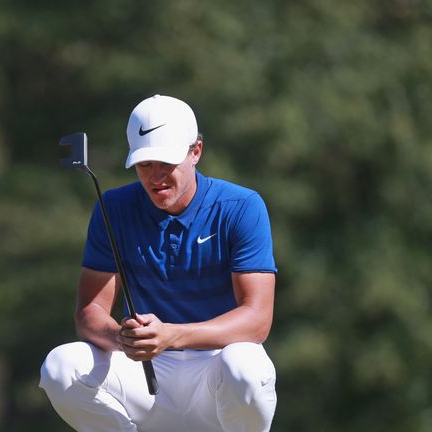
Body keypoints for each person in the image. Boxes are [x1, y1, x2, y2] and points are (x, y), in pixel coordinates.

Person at [40, 94, 278, 432]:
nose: (156, 177)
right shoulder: (114, 207)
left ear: (196, 151)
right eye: (145, 164)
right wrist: (123, 337)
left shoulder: (241, 206)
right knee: (61, 367)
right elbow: (89, 314)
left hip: (215, 370)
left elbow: (257, 321)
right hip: (146, 372)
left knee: (246, 366)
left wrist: (171, 335)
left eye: (166, 163)